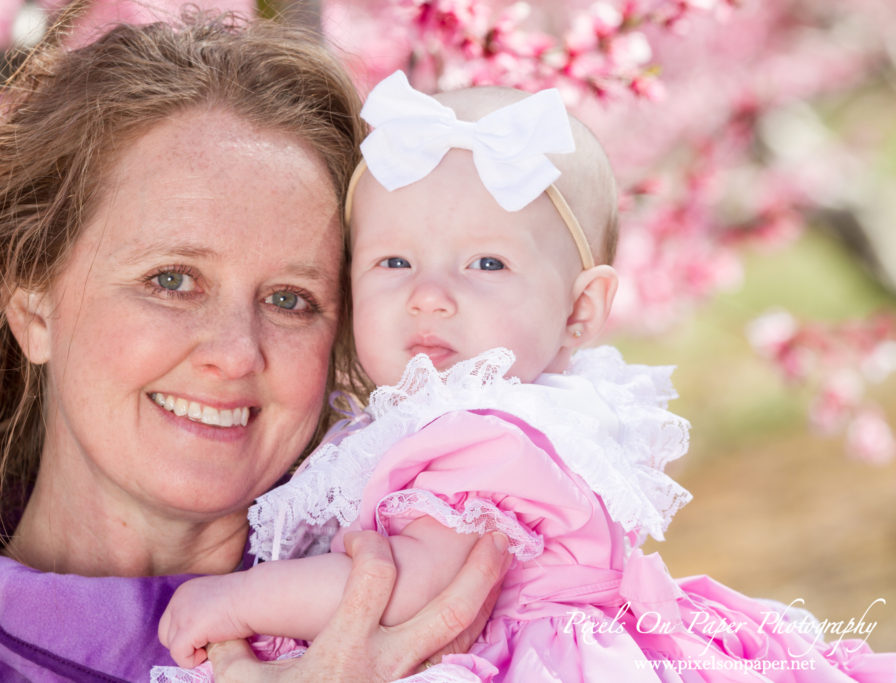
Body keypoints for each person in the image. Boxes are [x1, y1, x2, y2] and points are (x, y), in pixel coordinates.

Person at [157, 71, 896, 681]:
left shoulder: (491, 434)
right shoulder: (429, 423)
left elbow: (410, 583)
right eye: (394, 261)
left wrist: (236, 601)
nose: (429, 293)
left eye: (486, 263)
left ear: (579, 311)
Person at [0, 12, 512, 682]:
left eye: (291, 299)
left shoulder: (451, 616)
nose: (236, 353)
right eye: (171, 280)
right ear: (33, 306)